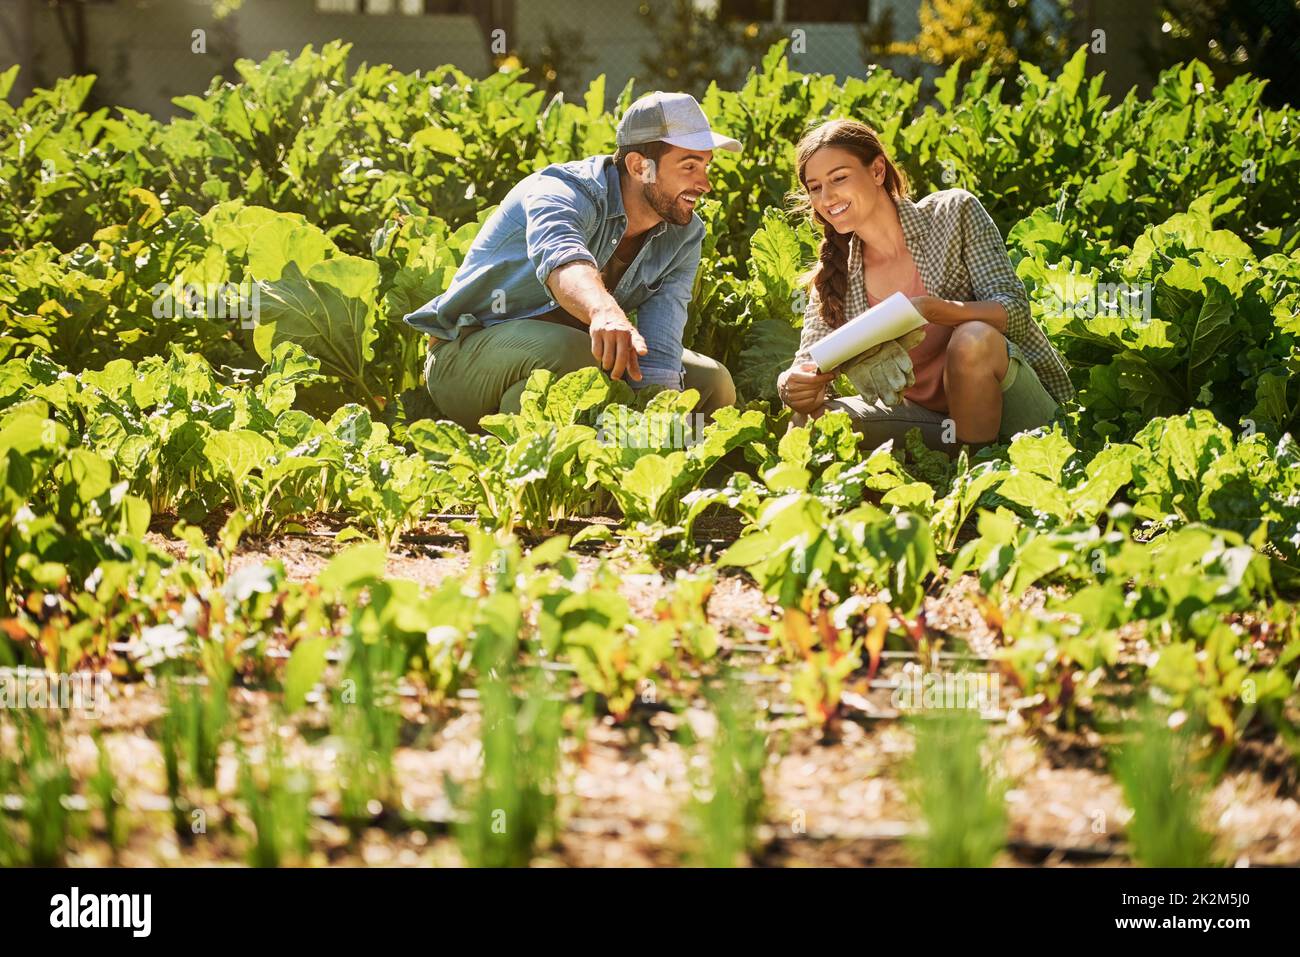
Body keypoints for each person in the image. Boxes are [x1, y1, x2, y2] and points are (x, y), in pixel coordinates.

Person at [405, 91, 741, 430]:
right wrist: (602, 310)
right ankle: (518, 468)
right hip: (466, 358)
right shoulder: (561, 191)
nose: (705, 184)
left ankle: (623, 468)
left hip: (577, 357)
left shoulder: (684, 234)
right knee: (575, 355)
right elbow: (562, 260)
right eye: (689, 167)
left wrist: (655, 428)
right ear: (641, 167)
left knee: (713, 384)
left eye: (706, 165)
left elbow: (660, 350)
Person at [777, 119, 1074, 455]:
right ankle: (802, 501)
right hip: (935, 426)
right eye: (815, 187)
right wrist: (792, 387)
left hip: (1019, 412)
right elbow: (806, 363)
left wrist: (932, 310)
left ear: (877, 171)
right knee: (812, 421)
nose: (827, 197)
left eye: (839, 178)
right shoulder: (834, 278)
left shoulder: (953, 214)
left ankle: (973, 483)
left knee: (972, 338)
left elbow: (1015, 313)